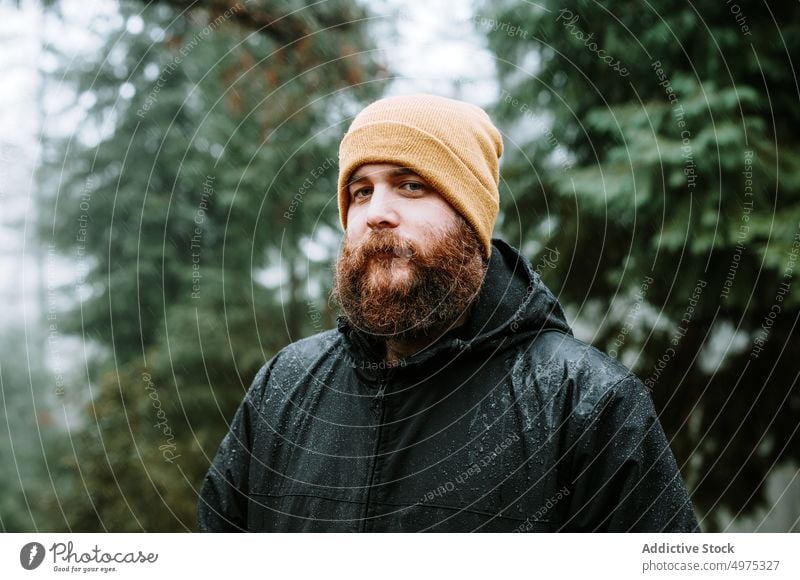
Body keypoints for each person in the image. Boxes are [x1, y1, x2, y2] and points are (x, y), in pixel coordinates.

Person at [197, 94, 700, 532]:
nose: (376, 213)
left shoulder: (584, 402)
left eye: (411, 185)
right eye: (361, 191)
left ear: (470, 218)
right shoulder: (286, 387)